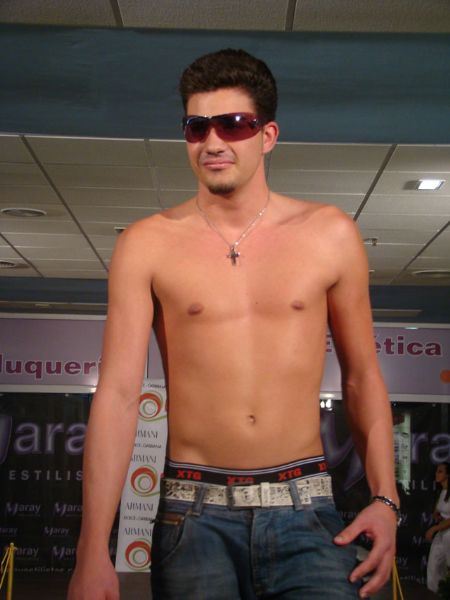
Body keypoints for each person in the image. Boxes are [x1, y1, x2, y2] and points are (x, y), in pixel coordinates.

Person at [68, 48, 398, 600]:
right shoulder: (145, 244)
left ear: (267, 135)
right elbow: (120, 395)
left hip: (305, 507)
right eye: (197, 128)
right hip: (192, 516)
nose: (213, 142)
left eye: (234, 124)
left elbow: (363, 376)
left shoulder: (330, 234)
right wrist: (91, 550)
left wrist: (385, 498)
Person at [426, 463, 450, 593]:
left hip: (448, 534)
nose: (436, 474)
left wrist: (434, 529)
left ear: (447, 475)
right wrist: (437, 515)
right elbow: (437, 511)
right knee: (433, 567)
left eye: (440, 471)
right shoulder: (442, 491)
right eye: (436, 471)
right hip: (442, 532)